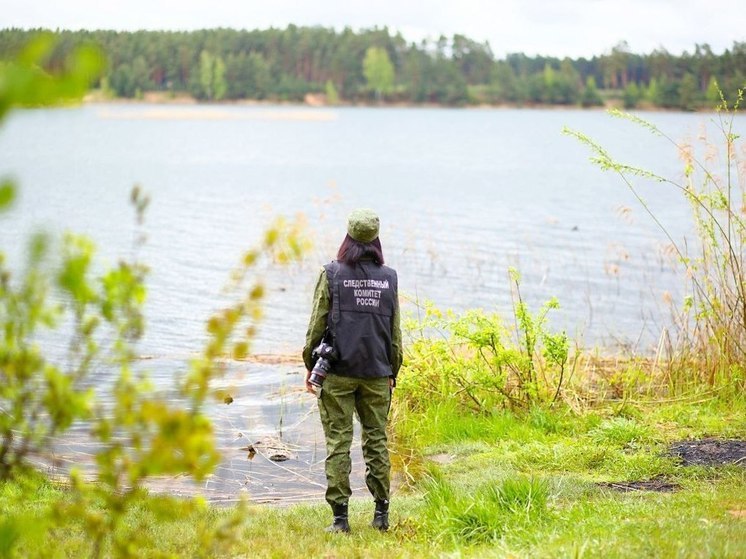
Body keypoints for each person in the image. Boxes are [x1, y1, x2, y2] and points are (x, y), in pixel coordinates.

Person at [303, 208, 402, 533]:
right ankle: (381, 515)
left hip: (339, 373)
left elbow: (316, 324)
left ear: (347, 237)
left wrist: (310, 364)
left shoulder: (331, 273)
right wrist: (393, 371)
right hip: (377, 371)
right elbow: (394, 334)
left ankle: (340, 520)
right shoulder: (389, 277)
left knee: (338, 443)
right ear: (376, 239)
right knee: (376, 441)